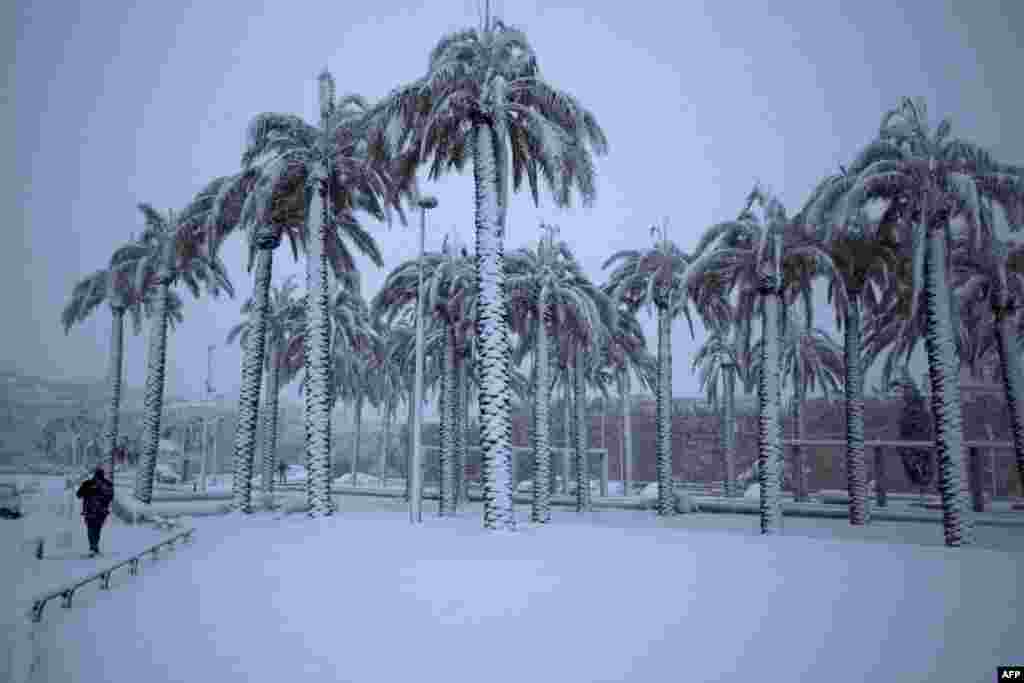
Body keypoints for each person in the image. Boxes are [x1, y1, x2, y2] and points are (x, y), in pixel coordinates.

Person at [76, 466, 114, 557]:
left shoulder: (88, 483)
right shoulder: (108, 484)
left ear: (95, 474)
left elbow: (78, 495)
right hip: (101, 512)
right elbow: (110, 497)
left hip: (89, 510)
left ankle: (92, 547)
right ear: (103, 474)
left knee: (90, 528)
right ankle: (95, 546)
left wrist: (87, 491)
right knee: (97, 529)